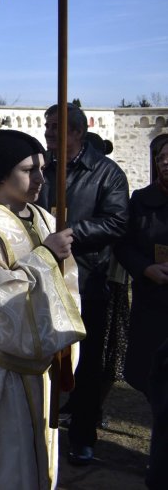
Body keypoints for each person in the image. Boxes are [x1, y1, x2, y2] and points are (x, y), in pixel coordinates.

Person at [0, 129, 85, 489]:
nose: (40, 178)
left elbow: (67, 282)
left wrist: (62, 339)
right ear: (3, 176)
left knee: (40, 460)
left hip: (43, 361)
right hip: (2, 366)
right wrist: (45, 256)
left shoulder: (43, 218)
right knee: (6, 464)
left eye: (42, 168)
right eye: (29, 170)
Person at [38, 103, 129, 465]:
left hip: (88, 278)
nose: (49, 133)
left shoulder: (107, 173)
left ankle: (82, 434)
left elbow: (117, 221)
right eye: (47, 126)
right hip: (44, 273)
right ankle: (41, 425)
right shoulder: (42, 167)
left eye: (56, 127)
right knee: (43, 353)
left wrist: (73, 234)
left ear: (76, 131)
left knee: (86, 361)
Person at [114, 133, 168, 483]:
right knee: (147, 376)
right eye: (163, 157)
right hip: (153, 304)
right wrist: (144, 268)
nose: (167, 163)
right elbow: (124, 244)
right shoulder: (142, 201)